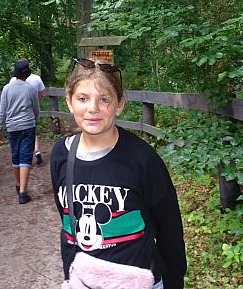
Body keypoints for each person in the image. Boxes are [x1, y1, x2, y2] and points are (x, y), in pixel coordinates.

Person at [50, 58, 187, 289]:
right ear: (69, 102)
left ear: (119, 104)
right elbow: (68, 220)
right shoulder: (61, 155)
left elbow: (169, 229)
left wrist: (174, 282)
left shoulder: (142, 159)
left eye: (104, 99)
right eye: (83, 98)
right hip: (84, 281)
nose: (93, 108)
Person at [0, 59, 40, 204]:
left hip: (12, 127)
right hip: (28, 126)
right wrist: (34, 120)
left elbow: (2, 111)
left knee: (16, 158)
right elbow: (36, 109)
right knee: (25, 158)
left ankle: (18, 184)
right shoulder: (30, 89)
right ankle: (23, 193)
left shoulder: (7, 89)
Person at [10, 58, 46, 165]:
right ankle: (37, 151)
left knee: (21, 135)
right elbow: (41, 93)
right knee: (32, 130)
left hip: (17, 112)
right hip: (31, 108)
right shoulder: (36, 78)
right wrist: (37, 105)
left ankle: (24, 159)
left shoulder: (13, 81)